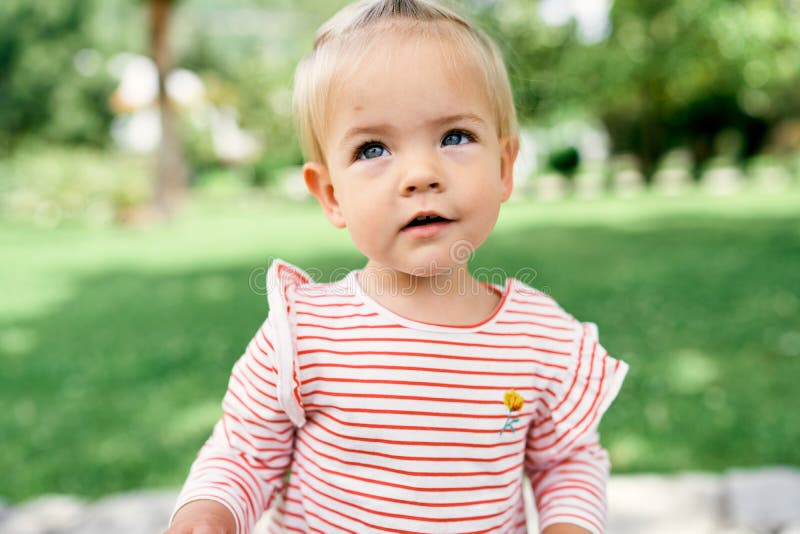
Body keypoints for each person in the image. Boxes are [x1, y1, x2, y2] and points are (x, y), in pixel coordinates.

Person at [166, 1, 628, 533]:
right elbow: (245, 454)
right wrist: (210, 511)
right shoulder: (304, 334)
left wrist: (568, 525)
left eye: (454, 137)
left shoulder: (542, 338)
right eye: (373, 148)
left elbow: (566, 462)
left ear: (504, 167)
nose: (420, 174)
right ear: (331, 194)